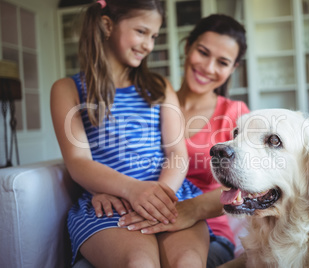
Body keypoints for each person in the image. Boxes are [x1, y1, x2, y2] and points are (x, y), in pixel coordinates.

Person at [50, 0, 209, 267]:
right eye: (141, 31)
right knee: (139, 263)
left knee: (188, 263)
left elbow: (177, 152)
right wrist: (133, 190)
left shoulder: (159, 86)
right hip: (111, 204)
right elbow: (78, 162)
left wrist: (158, 197)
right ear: (107, 25)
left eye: (154, 36)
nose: (149, 44)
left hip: (169, 195)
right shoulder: (67, 89)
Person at [103, 14, 250, 267]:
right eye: (203, 52)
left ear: (233, 68)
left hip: (208, 233)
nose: (208, 67)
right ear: (187, 47)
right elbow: (112, 157)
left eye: (222, 62)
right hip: (138, 219)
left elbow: (247, 186)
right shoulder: (150, 100)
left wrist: (190, 210)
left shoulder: (236, 115)